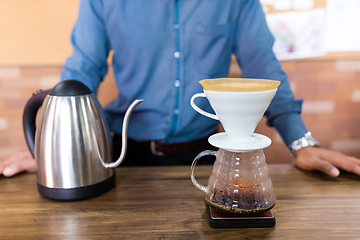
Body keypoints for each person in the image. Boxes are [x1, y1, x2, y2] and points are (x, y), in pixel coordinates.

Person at [1, 0, 360, 177]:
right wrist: (53, 146)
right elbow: (82, 71)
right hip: (122, 155)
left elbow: (264, 69)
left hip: (205, 156)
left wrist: (302, 142)